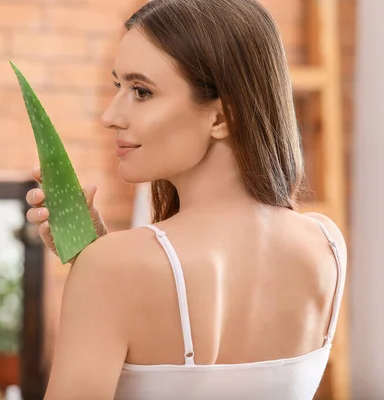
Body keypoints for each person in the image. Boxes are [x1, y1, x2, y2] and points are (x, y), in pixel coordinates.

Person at [25, 0, 347, 398]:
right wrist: (97, 257)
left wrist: (99, 268)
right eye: (118, 87)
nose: (110, 116)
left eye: (141, 91)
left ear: (221, 117)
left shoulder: (112, 270)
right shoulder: (327, 244)